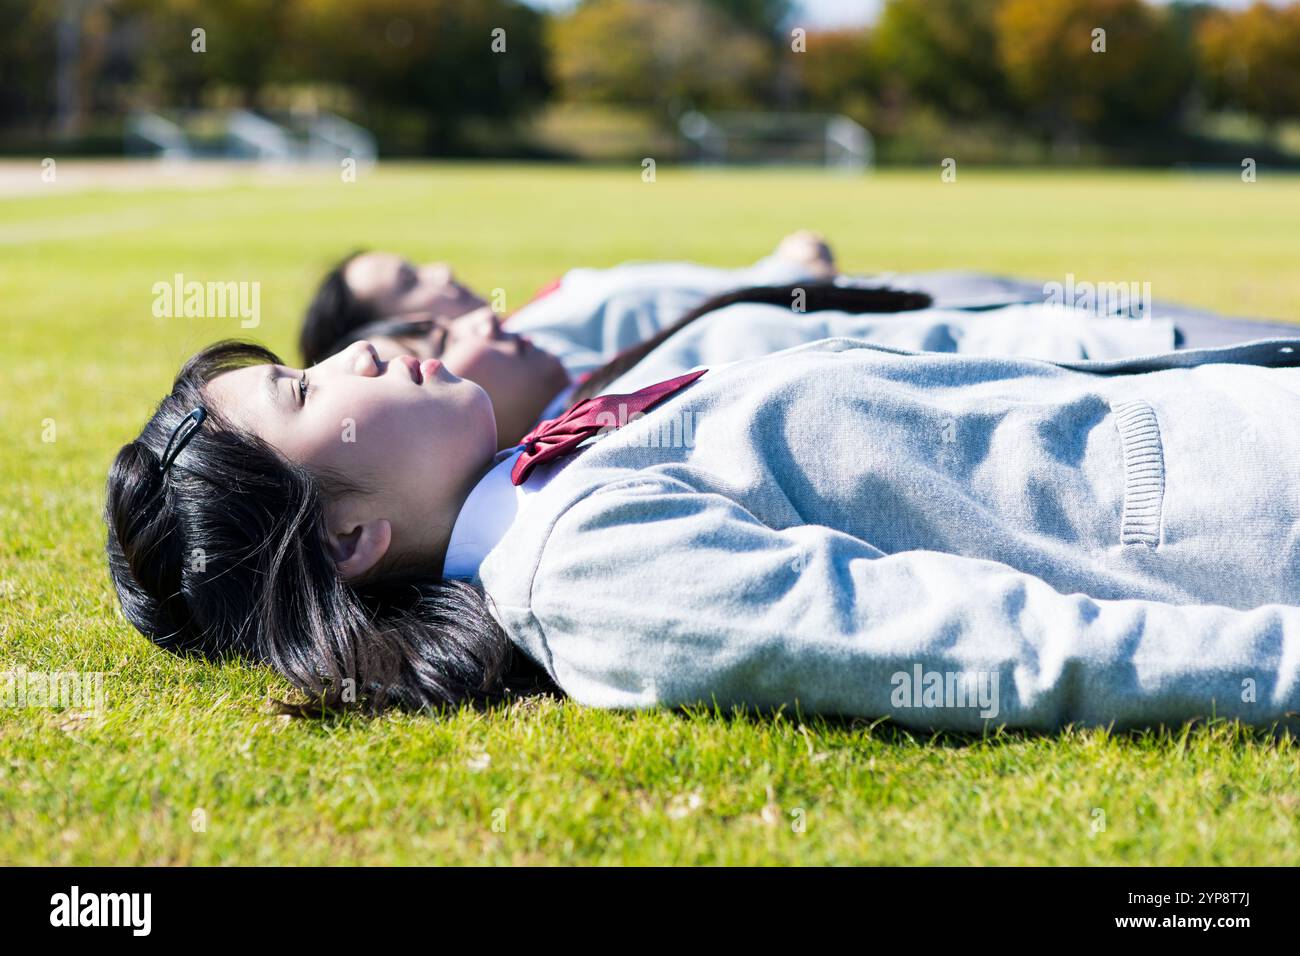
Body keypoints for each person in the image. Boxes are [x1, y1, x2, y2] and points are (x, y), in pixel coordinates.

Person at [105, 331, 1300, 732]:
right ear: (352, 541)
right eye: (305, 394)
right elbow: (988, 645)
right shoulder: (581, 568)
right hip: (1253, 507)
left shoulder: (546, 468)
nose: (354, 351)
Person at [299, 234, 1204, 447]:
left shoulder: (561, 369)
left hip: (1020, 331)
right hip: (1082, 364)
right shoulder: (578, 407)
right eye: (418, 313)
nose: (458, 303)